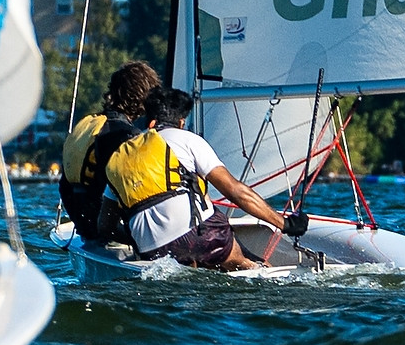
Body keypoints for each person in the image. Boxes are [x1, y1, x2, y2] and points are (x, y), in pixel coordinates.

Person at [105, 87, 306, 271]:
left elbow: (104, 226)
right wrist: (285, 224)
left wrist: (141, 239)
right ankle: (252, 267)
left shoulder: (120, 156)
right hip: (203, 237)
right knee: (243, 259)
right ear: (181, 122)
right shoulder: (187, 139)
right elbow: (235, 191)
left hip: (153, 251)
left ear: (149, 121)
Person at [57, 60, 159, 242]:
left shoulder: (89, 124)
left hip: (83, 225)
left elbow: (65, 185)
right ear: (142, 96)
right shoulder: (124, 135)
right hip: (104, 229)